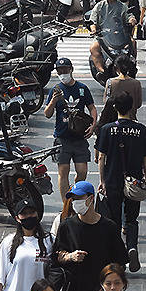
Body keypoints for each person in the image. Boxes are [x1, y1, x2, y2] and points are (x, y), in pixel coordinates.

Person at [97, 92, 146, 272]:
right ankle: (132, 247)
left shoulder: (107, 129)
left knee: (113, 219)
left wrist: (102, 181)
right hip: (134, 181)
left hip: (113, 180)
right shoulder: (141, 130)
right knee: (132, 219)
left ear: (115, 108)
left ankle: (117, 257)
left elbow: (101, 158)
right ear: (131, 108)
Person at [44, 58, 97, 200]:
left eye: (65, 70)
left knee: (82, 171)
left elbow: (92, 108)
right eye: (60, 71)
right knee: (63, 172)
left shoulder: (82, 88)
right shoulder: (55, 90)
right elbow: (47, 114)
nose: (63, 73)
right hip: (62, 137)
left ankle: (76, 192)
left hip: (79, 137)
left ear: (71, 69)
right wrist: (54, 101)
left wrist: (93, 125)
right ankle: (66, 204)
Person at [89, 0, 136, 80]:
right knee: (94, 47)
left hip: (120, 35)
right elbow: (92, 20)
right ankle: (101, 71)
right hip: (103, 36)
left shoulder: (122, 6)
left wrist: (132, 20)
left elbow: (129, 16)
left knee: (133, 42)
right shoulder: (99, 6)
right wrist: (93, 29)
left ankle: (133, 65)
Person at [102, 55, 142, 120]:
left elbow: (106, 102)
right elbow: (138, 104)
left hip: (113, 120)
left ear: (115, 68)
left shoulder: (110, 82)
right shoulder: (136, 83)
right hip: (131, 118)